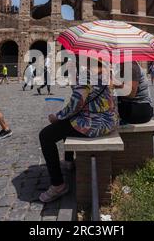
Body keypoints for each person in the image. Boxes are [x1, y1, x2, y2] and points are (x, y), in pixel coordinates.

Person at [38, 57, 118, 203]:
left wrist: (57, 116)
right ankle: (68, 161)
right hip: (109, 121)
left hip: (93, 124)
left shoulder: (87, 75)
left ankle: (58, 185)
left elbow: (75, 104)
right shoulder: (107, 72)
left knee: (45, 135)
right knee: (66, 124)